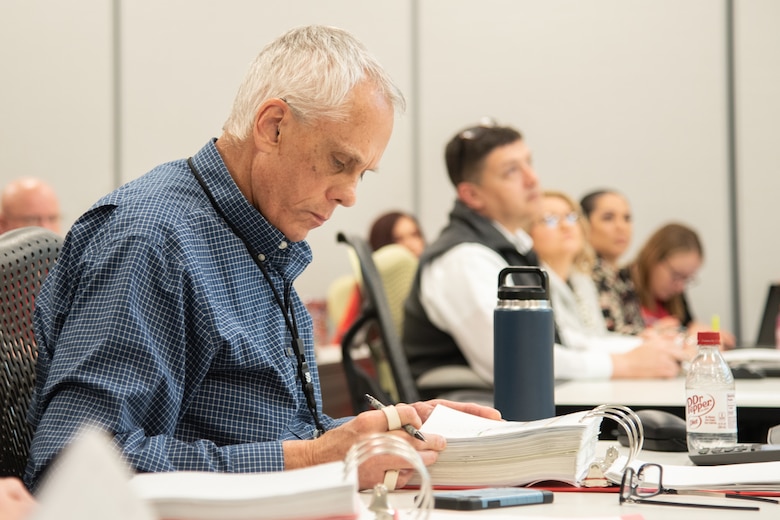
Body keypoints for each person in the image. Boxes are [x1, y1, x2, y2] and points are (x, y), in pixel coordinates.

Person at [24, 25, 499, 493]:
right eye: (340, 162)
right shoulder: (152, 242)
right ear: (273, 126)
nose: (350, 196)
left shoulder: (256, 236)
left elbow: (275, 433)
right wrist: (315, 459)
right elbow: (71, 468)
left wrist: (396, 427)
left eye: (362, 173)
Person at [403, 122, 687, 385]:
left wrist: (645, 349)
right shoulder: (464, 259)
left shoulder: (508, 250)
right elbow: (515, 361)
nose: (532, 179)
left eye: (529, 163)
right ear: (473, 195)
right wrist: (621, 365)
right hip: (475, 420)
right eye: (511, 171)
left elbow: (567, 340)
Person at [530, 190, 688, 371]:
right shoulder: (532, 282)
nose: (566, 226)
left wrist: (650, 344)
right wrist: (642, 346)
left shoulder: (581, 281)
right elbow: (569, 343)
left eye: (571, 217)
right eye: (550, 220)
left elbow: (596, 337)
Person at [629, 222, 736, 347]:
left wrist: (699, 334)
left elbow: (689, 329)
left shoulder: (675, 297)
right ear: (654, 258)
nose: (680, 287)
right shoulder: (620, 286)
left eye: (686, 279)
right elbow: (613, 342)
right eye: (676, 276)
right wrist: (652, 335)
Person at [332, 210, 425, 343]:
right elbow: (343, 340)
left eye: (415, 235)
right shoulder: (367, 285)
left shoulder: (433, 278)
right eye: (398, 239)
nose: (410, 244)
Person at [580, 189, 646, 335]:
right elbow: (604, 336)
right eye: (608, 218)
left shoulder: (623, 276)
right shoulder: (583, 275)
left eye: (627, 218)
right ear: (584, 224)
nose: (621, 227)